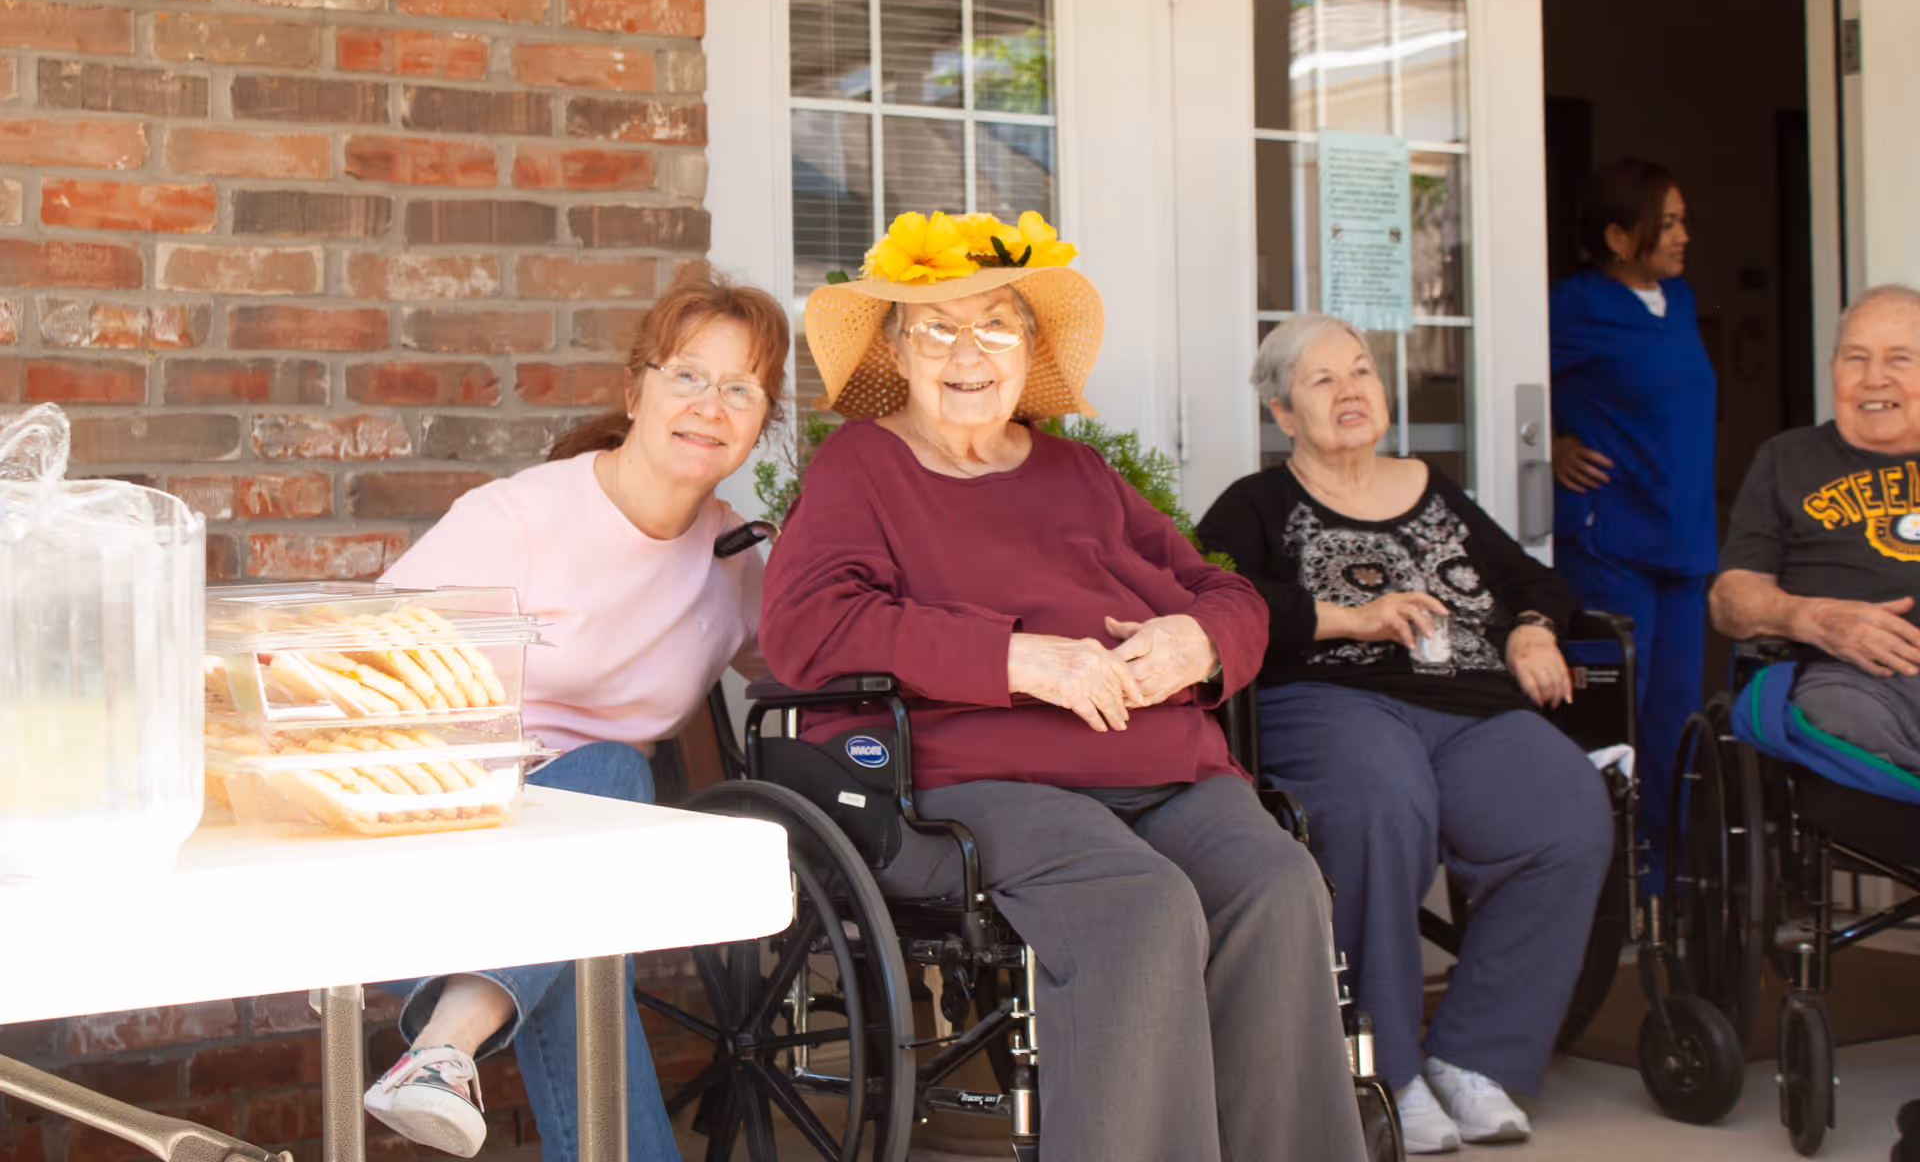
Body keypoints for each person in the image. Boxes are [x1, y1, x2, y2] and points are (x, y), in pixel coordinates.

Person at [759, 210, 1365, 1162]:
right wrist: (1017, 658)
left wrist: (1197, 643)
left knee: (1278, 883)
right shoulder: (861, 469)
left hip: (1161, 767)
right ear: (896, 348)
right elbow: (807, 630)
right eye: (937, 327)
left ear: (1029, 346)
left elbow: (1230, 594)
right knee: (1139, 902)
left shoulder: (1078, 474)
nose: (969, 352)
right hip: (973, 779)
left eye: (996, 324)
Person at [357, 266, 790, 1162]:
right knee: (615, 778)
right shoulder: (521, 518)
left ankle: (442, 1050)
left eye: (740, 388)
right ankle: (441, 1047)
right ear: (636, 390)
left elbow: (802, 670)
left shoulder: (737, 558)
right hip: (437, 835)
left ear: (759, 422)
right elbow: (365, 663)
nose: (711, 404)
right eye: (687, 376)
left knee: (594, 870)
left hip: (577, 868)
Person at [1196, 314, 1613, 1155]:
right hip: (1329, 701)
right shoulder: (1257, 505)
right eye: (1323, 381)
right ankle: (1385, 1067)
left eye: (1362, 372)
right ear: (1282, 414)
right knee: (1382, 805)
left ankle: (1475, 1055)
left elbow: (1530, 577)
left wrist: (1531, 629)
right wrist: (1353, 616)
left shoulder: (1434, 486)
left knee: (1568, 811)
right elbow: (1221, 605)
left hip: (1471, 705)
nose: (1351, 390)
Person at [1549, 157, 1717, 872]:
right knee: (1615, 714)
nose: (1683, 235)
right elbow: (1500, 379)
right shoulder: (1573, 304)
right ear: (1619, 236)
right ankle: (1609, 877)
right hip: (1612, 541)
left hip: (1684, 542)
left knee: (1676, 715)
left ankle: (1670, 878)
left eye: (1683, 219)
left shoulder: (1675, 302)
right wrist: (1549, 442)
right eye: (1667, 221)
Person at [1713, 284, 1920, 772]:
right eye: (1855, 358)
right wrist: (1818, 619)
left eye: (1899, 359)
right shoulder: (1788, 459)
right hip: (1856, 682)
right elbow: (1729, 601)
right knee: (1833, 717)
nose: (1874, 379)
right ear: (1832, 369)